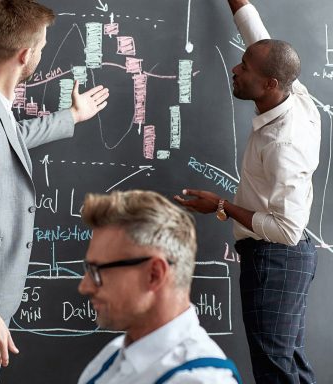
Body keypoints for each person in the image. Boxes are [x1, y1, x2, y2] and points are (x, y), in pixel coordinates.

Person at [0, 0, 109, 383]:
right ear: (25, 55)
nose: (41, 53)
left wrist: (70, 116)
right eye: (41, 47)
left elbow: (11, 138)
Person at [174, 0, 320, 383]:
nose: (235, 70)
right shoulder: (295, 93)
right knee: (290, 364)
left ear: (270, 83)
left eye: (244, 68)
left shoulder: (283, 143)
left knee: (274, 370)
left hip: (276, 260)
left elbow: (287, 230)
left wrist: (221, 205)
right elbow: (259, 38)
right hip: (283, 261)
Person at [77, 190, 241, 384]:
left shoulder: (200, 380)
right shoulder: (113, 355)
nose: (84, 286)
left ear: (154, 275)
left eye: (98, 271)